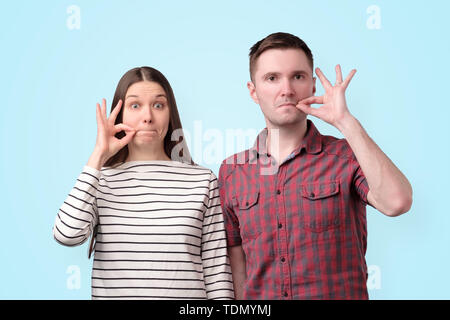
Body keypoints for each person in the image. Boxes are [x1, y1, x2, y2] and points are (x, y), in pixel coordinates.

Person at [218, 32, 413, 300]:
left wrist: (345, 121)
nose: (286, 89)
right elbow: (237, 263)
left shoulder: (346, 156)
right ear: (253, 91)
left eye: (297, 76)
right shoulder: (232, 172)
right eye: (272, 78)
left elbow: (397, 202)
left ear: (312, 86)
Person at [53, 66, 234, 300]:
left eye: (158, 105)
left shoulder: (202, 181)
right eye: (135, 105)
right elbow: (66, 235)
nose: (147, 116)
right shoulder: (99, 180)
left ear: (170, 114)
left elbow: (216, 273)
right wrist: (98, 156)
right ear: (119, 115)